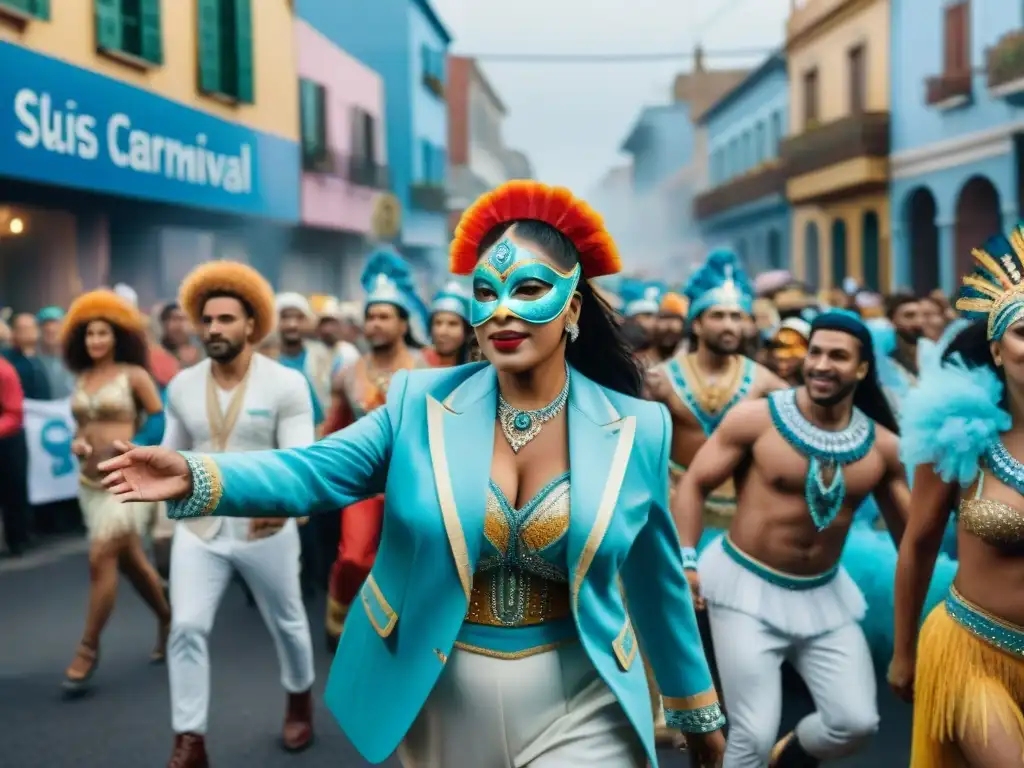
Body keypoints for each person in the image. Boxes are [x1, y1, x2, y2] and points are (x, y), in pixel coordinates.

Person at [99, 180, 727, 768]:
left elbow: (656, 580)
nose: (503, 312)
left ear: (574, 308)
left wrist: (697, 711)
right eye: (486, 292)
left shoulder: (636, 429)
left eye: (529, 291)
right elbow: (317, 471)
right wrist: (197, 475)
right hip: (442, 690)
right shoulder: (417, 405)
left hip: (582, 695)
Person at [675, 309, 909, 767]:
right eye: (816, 352)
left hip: (824, 595)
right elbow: (694, 483)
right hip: (744, 588)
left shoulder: (883, 447)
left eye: (838, 356)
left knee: (856, 722)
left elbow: (914, 540)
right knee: (751, 737)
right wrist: (686, 558)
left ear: (862, 369)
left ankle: (790, 760)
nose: (821, 364)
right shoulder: (755, 419)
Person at [154, 261, 317, 766]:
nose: (214, 329)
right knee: (186, 627)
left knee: (288, 624)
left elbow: (299, 462)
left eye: (226, 319)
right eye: (207, 320)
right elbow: (170, 456)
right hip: (200, 530)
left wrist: (288, 511)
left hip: (265, 530)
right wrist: (159, 515)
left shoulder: (286, 385)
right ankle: (189, 738)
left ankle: (298, 699)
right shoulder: (181, 385)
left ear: (252, 325)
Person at [893, 228, 1024, 767]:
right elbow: (919, 544)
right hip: (972, 648)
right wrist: (903, 652)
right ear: (996, 348)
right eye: (1023, 332)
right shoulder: (957, 434)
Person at [61, 290, 171, 696]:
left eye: (103, 333)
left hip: (126, 480)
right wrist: (78, 444)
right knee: (130, 562)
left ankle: (87, 647)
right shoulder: (83, 379)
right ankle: (168, 617)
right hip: (90, 484)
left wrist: (133, 447)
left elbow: (159, 421)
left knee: (101, 555)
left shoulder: (134, 375)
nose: (95, 341)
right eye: (89, 334)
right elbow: (81, 427)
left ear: (118, 336)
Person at [322, 249, 428, 651]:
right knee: (354, 559)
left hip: (418, 481)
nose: (375, 323)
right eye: (370, 316)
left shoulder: (428, 366)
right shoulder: (348, 373)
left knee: (420, 563)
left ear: (403, 323)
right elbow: (335, 429)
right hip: (365, 485)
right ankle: (340, 624)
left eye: (385, 316)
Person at [0, 353, 28, 555]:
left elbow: (15, 413)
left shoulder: (4, 370)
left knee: (12, 492)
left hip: (7, 441)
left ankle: (18, 540)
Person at [422, 281, 472, 367]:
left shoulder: (478, 369)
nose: (442, 332)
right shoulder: (414, 364)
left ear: (467, 330)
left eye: (452, 324)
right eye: (438, 323)